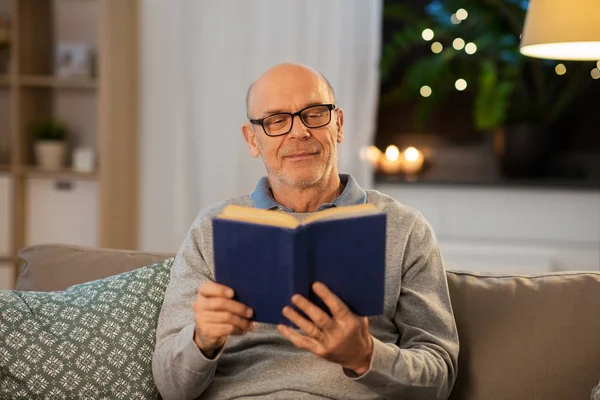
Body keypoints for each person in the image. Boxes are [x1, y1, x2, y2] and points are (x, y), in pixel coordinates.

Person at [152, 63, 459, 400]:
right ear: (252, 139)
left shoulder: (405, 228)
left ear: (338, 124)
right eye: (276, 120)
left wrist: (366, 355)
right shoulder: (210, 228)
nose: (298, 132)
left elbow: (439, 377)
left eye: (314, 114)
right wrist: (202, 339)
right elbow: (170, 387)